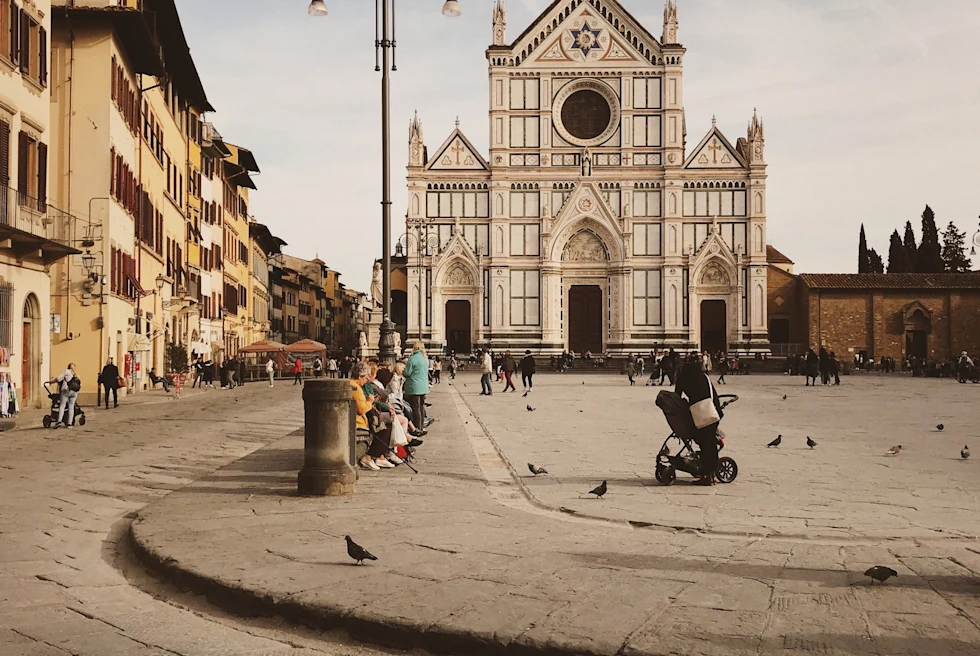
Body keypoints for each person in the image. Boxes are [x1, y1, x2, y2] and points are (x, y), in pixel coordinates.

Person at [674, 354, 724, 486]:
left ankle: (707, 476)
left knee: (704, 444)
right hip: (712, 412)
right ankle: (711, 474)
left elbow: (677, 397)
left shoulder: (683, 377)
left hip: (699, 414)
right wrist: (719, 412)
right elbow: (714, 395)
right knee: (711, 444)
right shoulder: (704, 376)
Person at [351, 362, 397, 471]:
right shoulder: (356, 389)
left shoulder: (351, 385)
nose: (366, 380)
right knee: (385, 425)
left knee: (384, 423)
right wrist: (370, 401)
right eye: (365, 377)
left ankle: (381, 454)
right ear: (360, 376)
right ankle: (375, 455)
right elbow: (362, 409)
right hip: (360, 422)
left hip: (356, 419)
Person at [404, 343, 430, 434]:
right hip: (423, 386)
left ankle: (417, 427)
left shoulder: (412, 358)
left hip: (414, 386)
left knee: (415, 408)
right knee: (421, 406)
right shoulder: (425, 358)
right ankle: (422, 425)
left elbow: (407, 373)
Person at [53, 363, 79, 428]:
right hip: (74, 392)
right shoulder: (76, 374)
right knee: (71, 406)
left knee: (62, 405)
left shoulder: (66, 371)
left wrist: (52, 381)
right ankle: (69, 423)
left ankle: (59, 421)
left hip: (66, 390)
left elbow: (59, 378)